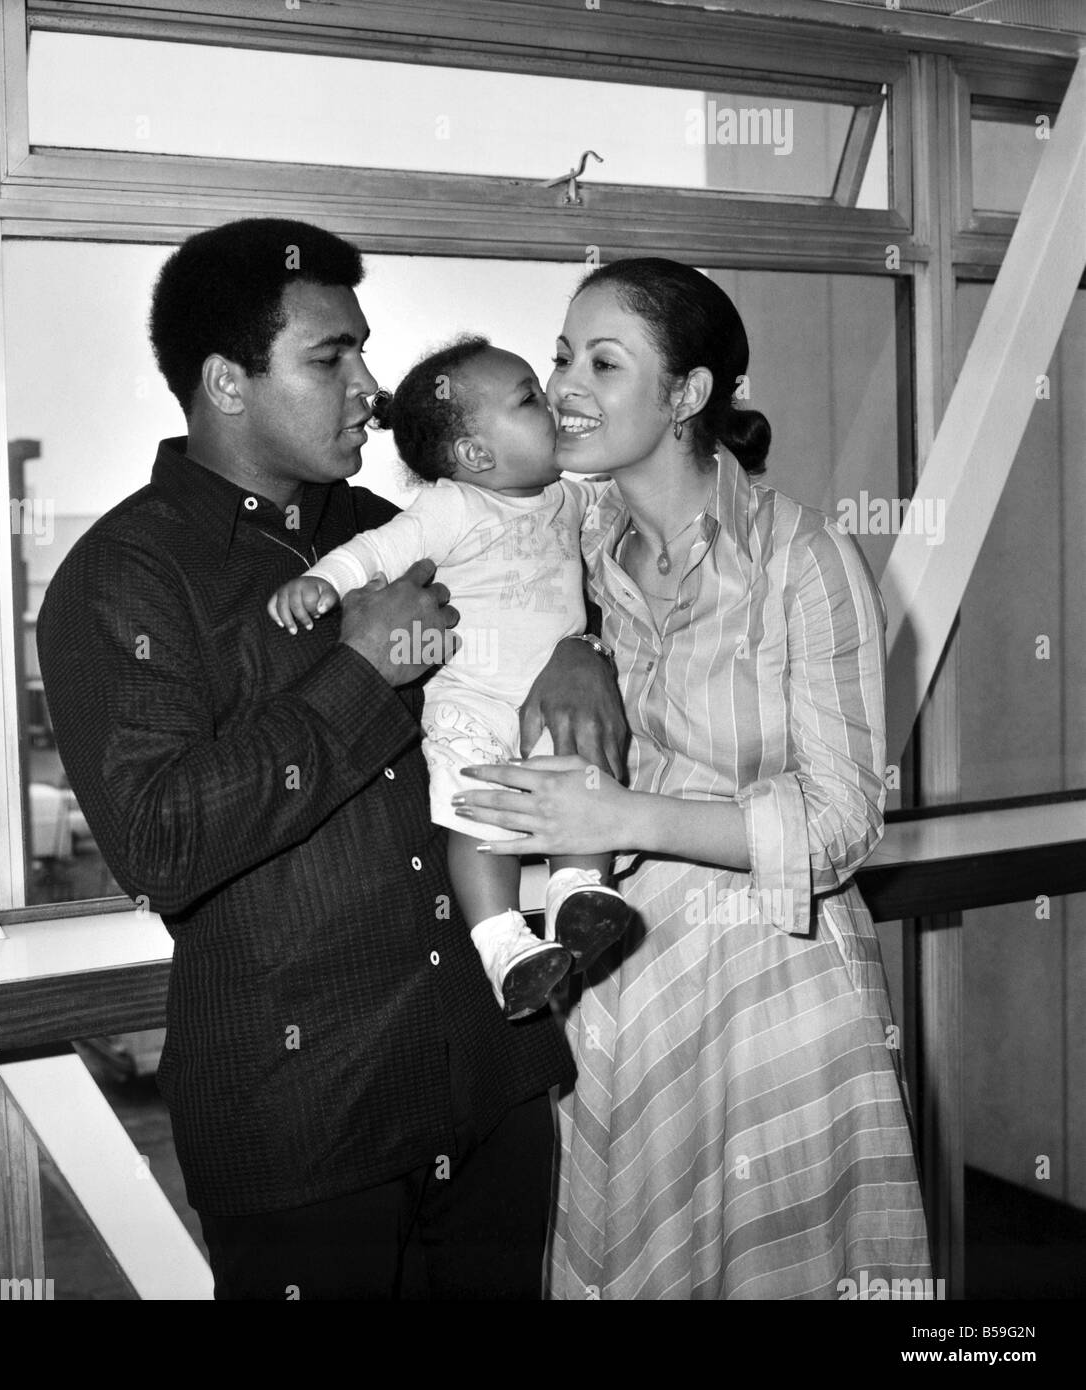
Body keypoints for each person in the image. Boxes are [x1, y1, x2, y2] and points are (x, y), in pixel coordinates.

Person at [35, 219, 630, 1300]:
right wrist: (359, 670)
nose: (371, 385)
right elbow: (164, 843)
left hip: (488, 1080)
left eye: (363, 348)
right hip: (307, 1125)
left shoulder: (394, 522)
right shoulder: (121, 578)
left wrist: (583, 650)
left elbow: (536, 591)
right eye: (331, 358)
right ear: (225, 380)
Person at [453, 257, 933, 1299]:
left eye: (605, 361)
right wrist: (573, 642)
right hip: (620, 989)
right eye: (563, 356)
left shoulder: (803, 557)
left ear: (688, 394)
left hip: (775, 986)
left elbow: (845, 822)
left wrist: (622, 814)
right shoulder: (562, 549)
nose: (568, 384)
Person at [268, 337, 633, 1023]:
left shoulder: (570, 500)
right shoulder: (453, 507)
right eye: (529, 397)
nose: (552, 402)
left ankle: (578, 893)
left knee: (583, 787)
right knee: (478, 823)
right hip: (472, 702)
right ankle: (501, 944)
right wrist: (322, 582)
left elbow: (628, 522)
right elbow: (378, 551)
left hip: (548, 704)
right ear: (475, 455)